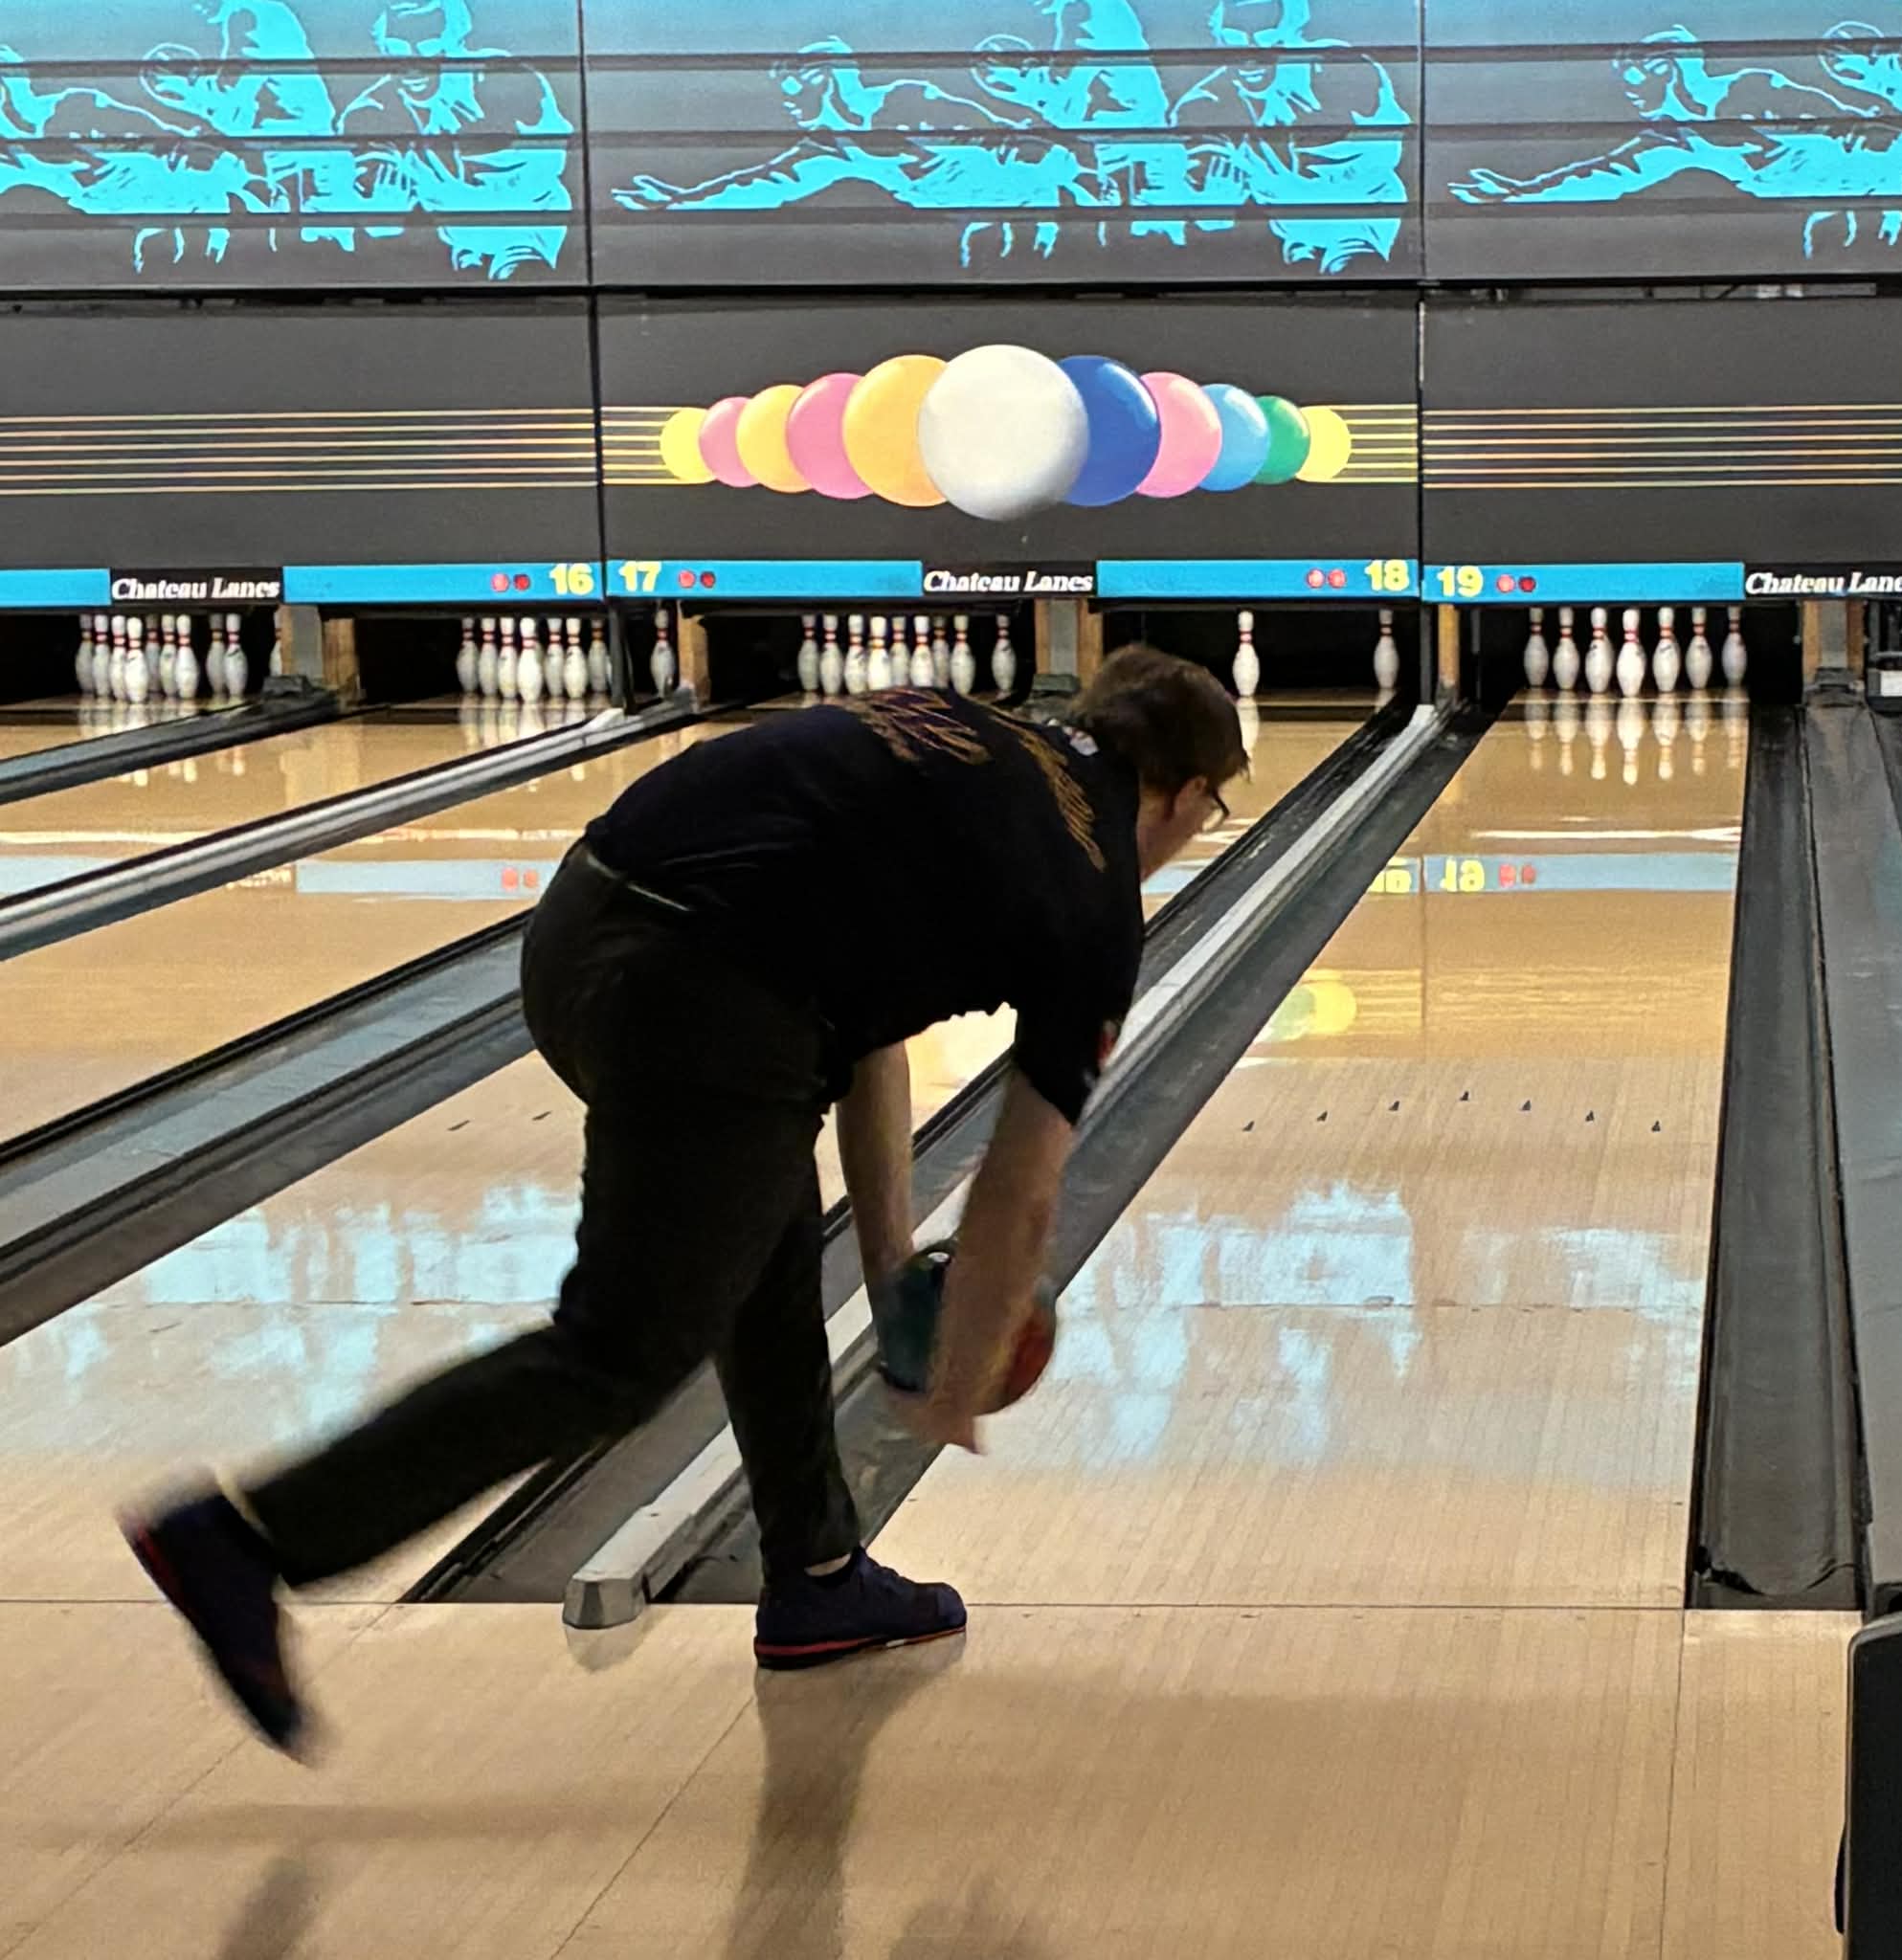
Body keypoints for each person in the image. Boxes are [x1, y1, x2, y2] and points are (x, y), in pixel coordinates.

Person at [123, 648, 1246, 1755]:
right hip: (701, 988)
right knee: (621, 1349)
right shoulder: (1093, 889)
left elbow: (868, 1034)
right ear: (1186, 792)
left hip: (583, 925)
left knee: (759, 1212)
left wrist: (891, 1257)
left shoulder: (969, 731)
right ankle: (245, 1535)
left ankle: (816, 1575)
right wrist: (953, 1390)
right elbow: (1021, 1181)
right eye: (1211, 813)